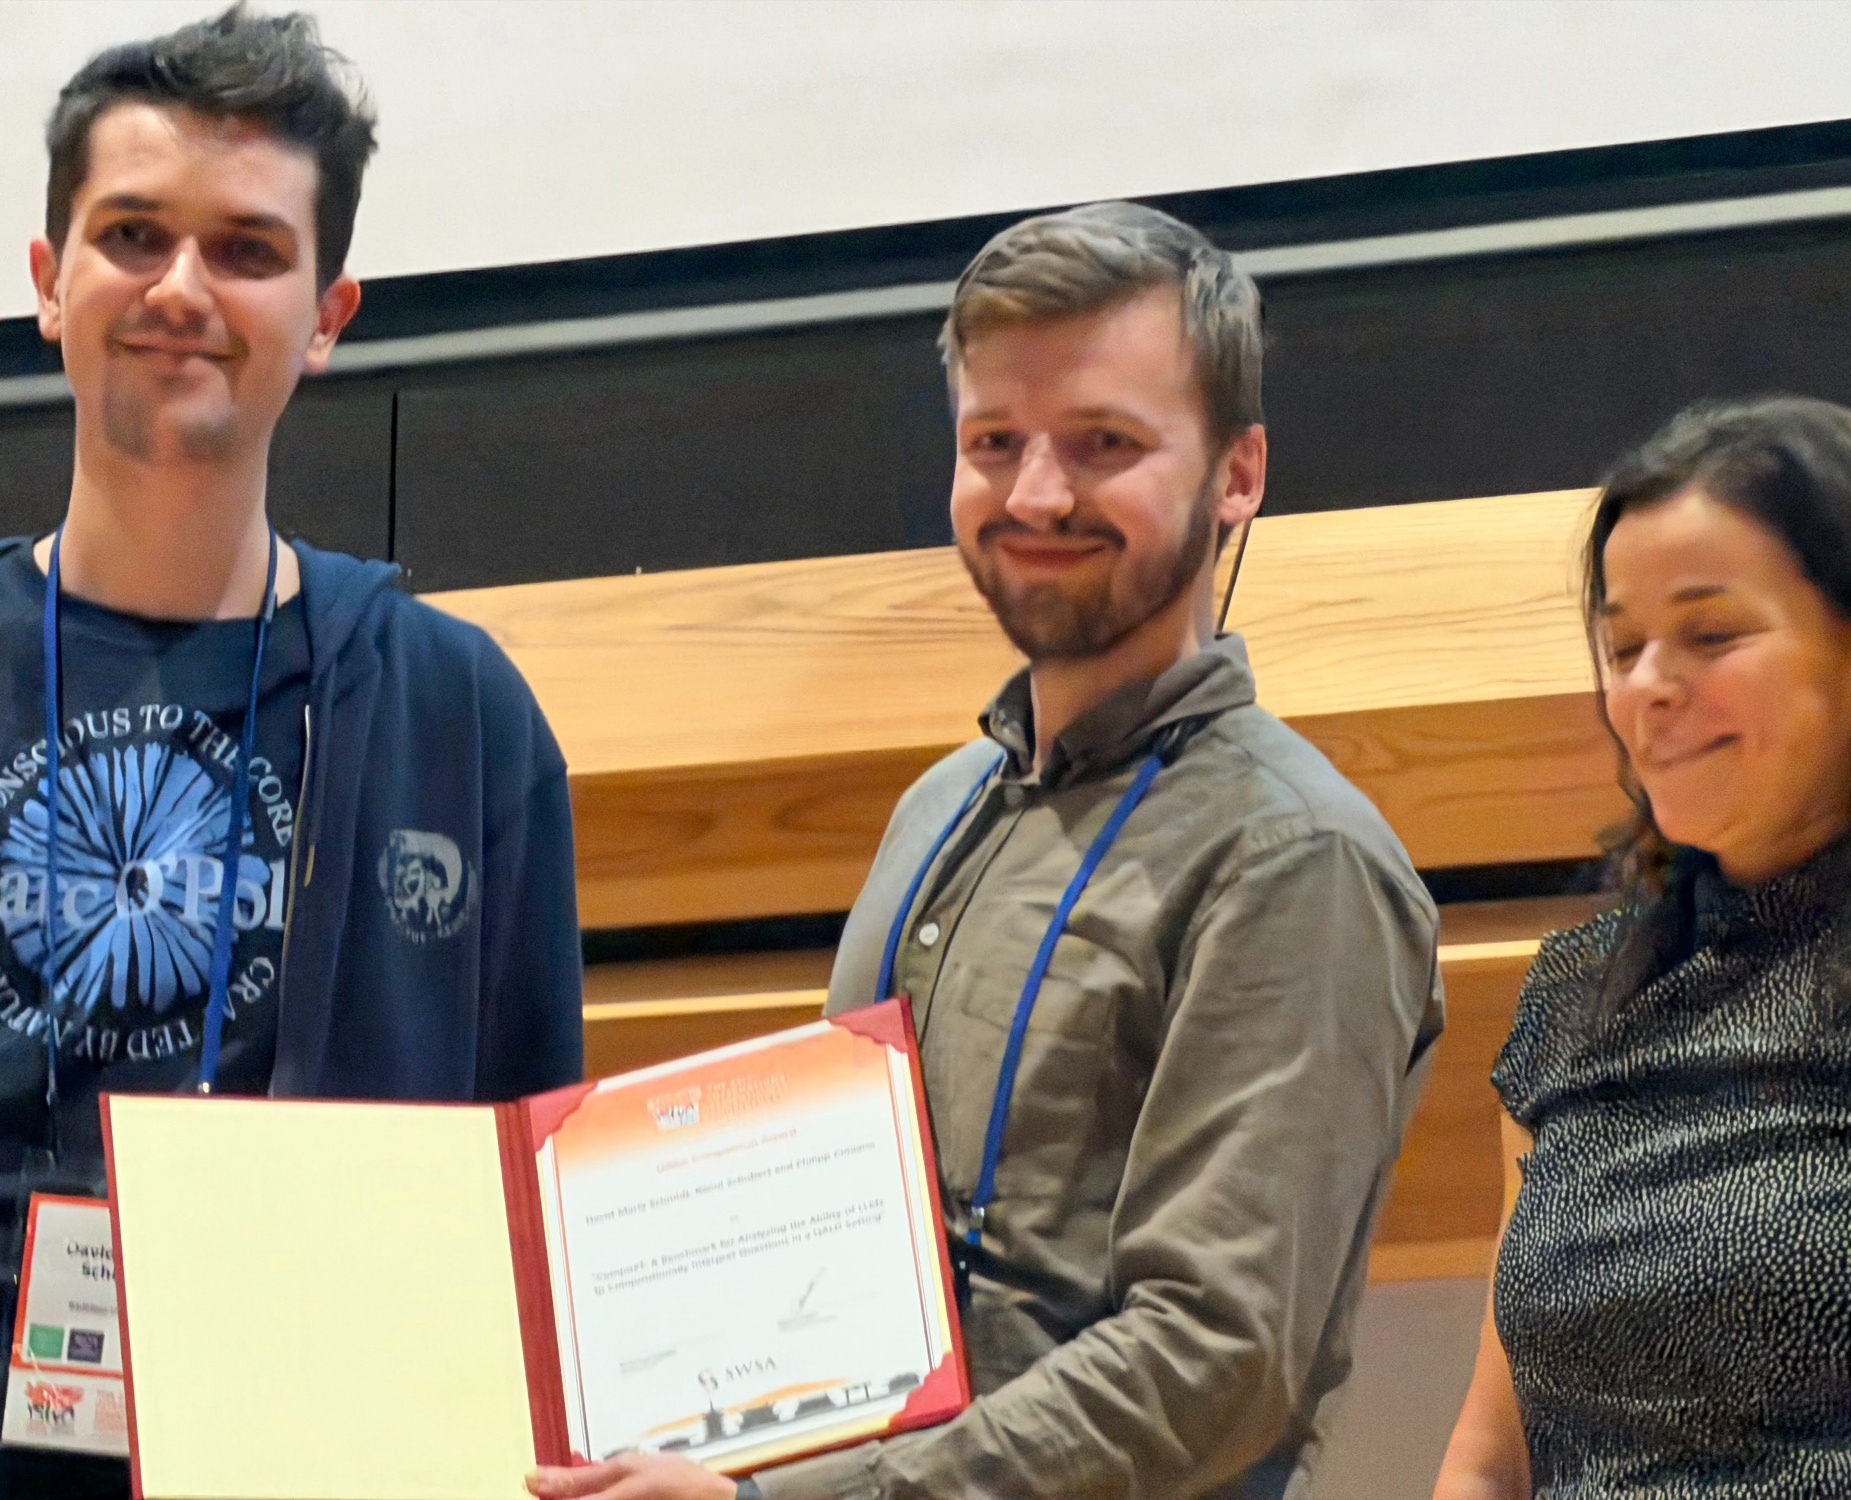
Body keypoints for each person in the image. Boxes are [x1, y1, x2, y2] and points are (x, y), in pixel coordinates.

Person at [531, 203, 1444, 1500]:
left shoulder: (1295, 860)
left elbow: (1215, 1360)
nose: (1036, 495)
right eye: (993, 443)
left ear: (1237, 474)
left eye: (1103, 443)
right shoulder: (938, 807)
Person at [4, 8, 582, 1493]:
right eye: (133, 234)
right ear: (48, 281)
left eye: (247, 250)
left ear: (327, 317)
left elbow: (527, 1183)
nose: (181, 288)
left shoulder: (458, 710)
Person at [1433, 397, 1851, 1498]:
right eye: (1622, 646)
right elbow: (1490, 1459)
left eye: (1710, 635)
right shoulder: (1576, 996)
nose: (1647, 686)